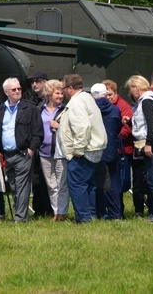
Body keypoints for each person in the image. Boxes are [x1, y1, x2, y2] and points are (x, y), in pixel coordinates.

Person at [0, 77, 44, 223]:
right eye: (13, 89)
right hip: (7, 155)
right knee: (14, 186)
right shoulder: (0, 109)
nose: (17, 91)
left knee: (22, 186)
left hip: (23, 153)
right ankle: (21, 214)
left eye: (19, 89)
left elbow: (38, 132)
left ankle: (20, 218)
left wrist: (31, 150)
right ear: (6, 92)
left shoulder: (30, 108)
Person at [58, 74, 106, 223]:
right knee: (89, 183)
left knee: (77, 184)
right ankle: (90, 214)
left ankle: (83, 218)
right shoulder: (87, 98)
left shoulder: (77, 102)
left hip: (84, 150)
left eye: (63, 88)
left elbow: (83, 126)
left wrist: (78, 149)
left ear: (70, 88)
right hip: (93, 147)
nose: (63, 92)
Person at [126, 75, 153, 222]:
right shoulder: (149, 100)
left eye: (131, 89)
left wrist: (149, 143)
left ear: (137, 88)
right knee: (151, 178)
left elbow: (152, 124)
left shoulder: (147, 101)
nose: (131, 92)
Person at [103, 79, 145, 217]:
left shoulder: (122, 106)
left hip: (123, 150)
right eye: (106, 95)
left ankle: (125, 210)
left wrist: (112, 136)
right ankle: (115, 209)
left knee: (121, 181)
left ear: (116, 93)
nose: (108, 97)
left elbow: (127, 128)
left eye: (110, 94)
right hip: (111, 148)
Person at [91, 83, 123, 220]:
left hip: (95, 150)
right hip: (111, 150)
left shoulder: (90, 110)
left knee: (96, 184)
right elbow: (117, 128)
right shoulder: (115, 110)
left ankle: (99, 211)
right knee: (113, 184)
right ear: (105, 94)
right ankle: (116, 213)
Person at [38, 79, 68, 221]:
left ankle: (62, 213)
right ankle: (56, 212)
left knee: (61, 184)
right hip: (44, 152)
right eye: (57, 93)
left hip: (60, 152)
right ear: (49, 94)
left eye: (62, 93)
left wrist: (58, 126)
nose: (60, 96)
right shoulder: (40, 109)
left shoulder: (65, 110)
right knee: (51, 184)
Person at [25, 71, 53, 218]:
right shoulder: (30, 100)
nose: (34, 84)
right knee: (36, 179)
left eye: (38, 81)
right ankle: (38, 209)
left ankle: (50, 209)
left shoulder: (51, 101)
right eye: (32, 82)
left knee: (48, 179)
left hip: (48, 147)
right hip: (34, 146)